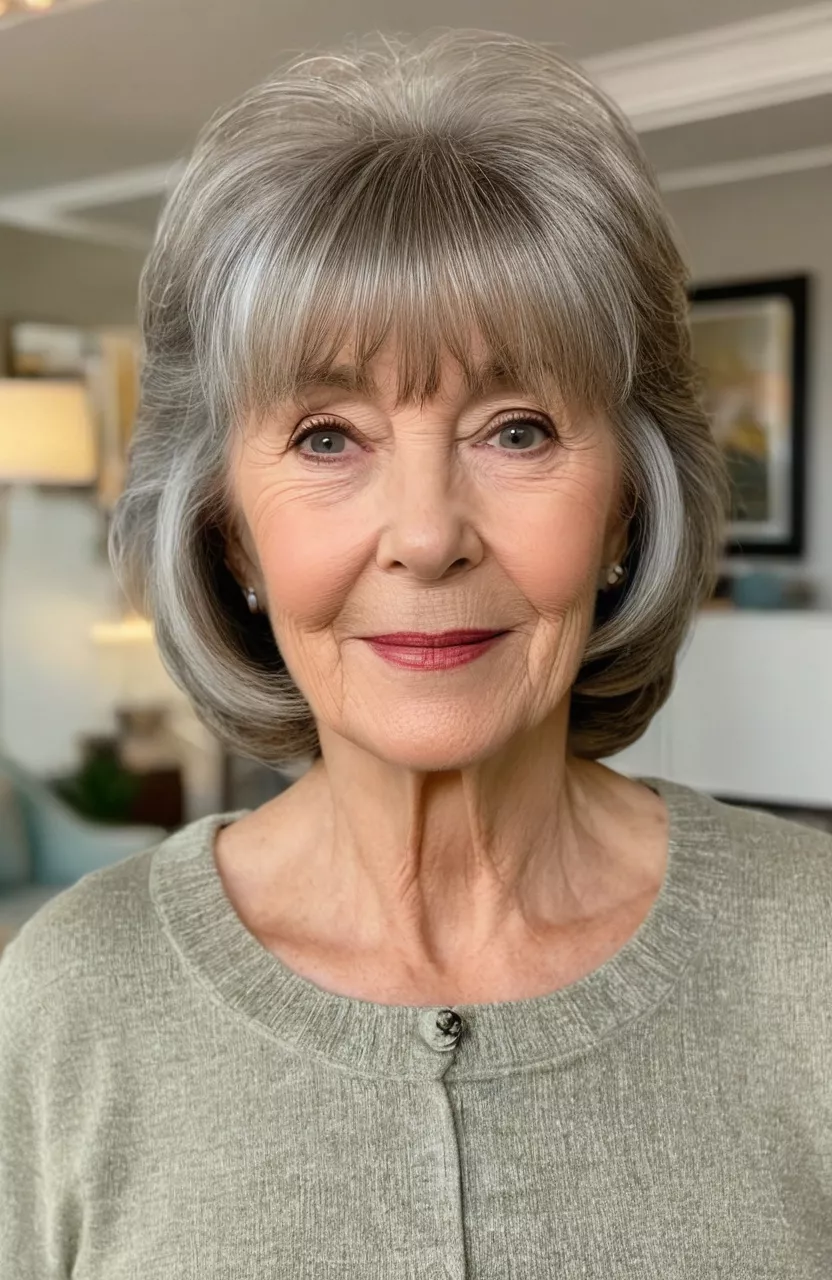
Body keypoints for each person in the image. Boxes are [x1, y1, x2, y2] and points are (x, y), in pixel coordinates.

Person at [2, 28, 830, 1279]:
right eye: (329, 436)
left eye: (516, 427)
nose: (430, 534)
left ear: (627, 503)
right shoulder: (73, 994)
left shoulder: (812, 956)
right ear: (226, 526)